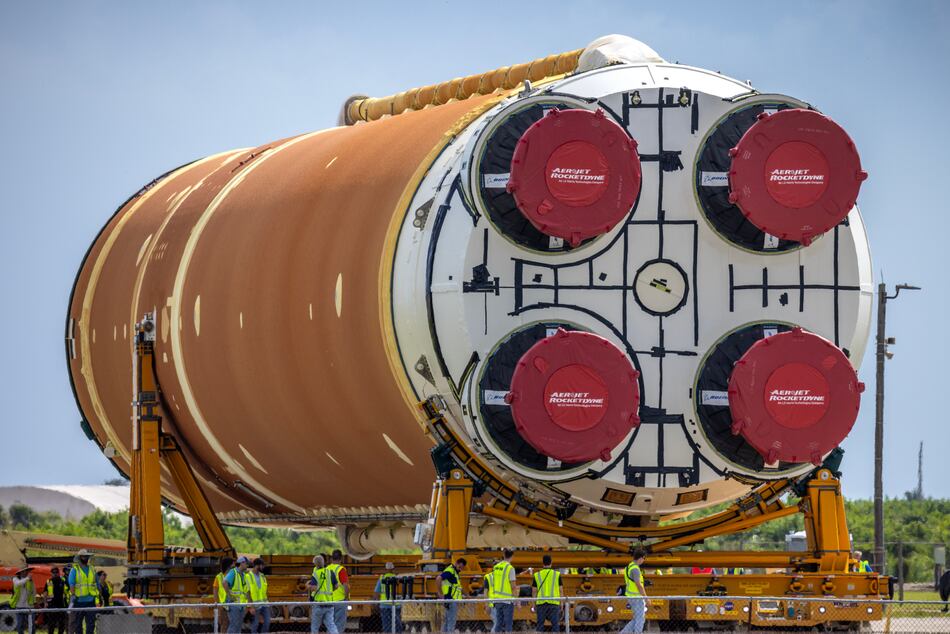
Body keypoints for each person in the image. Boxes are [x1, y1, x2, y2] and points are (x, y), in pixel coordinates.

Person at [68, 549, 99, 634]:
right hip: (78, 601)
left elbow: (97, 583)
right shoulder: (74, 570)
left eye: (87, 556)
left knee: (91, 624)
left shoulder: (92, 569)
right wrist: (73, 596)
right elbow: (71, 584)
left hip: (91, 601)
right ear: (79, 557)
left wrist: (99, 595)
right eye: (84, 556)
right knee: (78, 625)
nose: (86, 558)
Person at [308, 555, 339, 633]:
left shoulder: (316, 574)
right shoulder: (330, 572)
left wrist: (307, 586)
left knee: (315, 627)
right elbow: (336, 586)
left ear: (315, 564)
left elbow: (314, 588)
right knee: (331, 625)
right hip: (329, 604)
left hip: (319, 604)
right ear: (323, 563)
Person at [532, 554, 563, 632]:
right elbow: (561, 590)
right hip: (554, 602)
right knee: (555, 624)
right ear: (551, 562)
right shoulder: (557, 574)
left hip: (541, 603)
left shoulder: (537, 575)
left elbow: (534, 591)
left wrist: (533, 604)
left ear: (543, 563)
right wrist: (561, 602)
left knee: (540, 624)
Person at [620, 548, 647, 634]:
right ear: (641, 558)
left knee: (636, 618)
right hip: (637, 597)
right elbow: (639, 585)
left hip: (631, 597)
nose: (644, 560)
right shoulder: (635, 569)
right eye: (644, 558)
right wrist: (646, 598)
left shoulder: (629, 567)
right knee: (640, 618)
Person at [489, 549, 516, 633]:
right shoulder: (510, 568)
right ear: (512, 557)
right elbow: (513, 586)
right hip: (507, 600)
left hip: (497, 599)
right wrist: (516, 599)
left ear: (503, 555)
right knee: (508, 623)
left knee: (498, 623)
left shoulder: (496, 567)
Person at [222, 556, 251, 634]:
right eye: (246, 563)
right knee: (234, 625)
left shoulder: (244, 575)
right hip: (233, 604)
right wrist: (230, 596)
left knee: (238, 625)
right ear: (241, 563)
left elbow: (245, 591)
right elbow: (224, 582)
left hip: (241, 605)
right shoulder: (233, 572)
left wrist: (247, 604)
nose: (247, 565)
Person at [440, 557, 466, 633]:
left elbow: (458, 587)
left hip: (451, 600)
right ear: (456, 563)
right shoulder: (450, 571)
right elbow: (438, 578)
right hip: (450, 599)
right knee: (451, 621)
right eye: (459, 567)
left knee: (448, 620)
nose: (460, 569)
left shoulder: (455, 573)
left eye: (462, 568)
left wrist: (467, 596)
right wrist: (440, 593)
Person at [326, 550, 349, 633]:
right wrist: (346, 597)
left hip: (328, 600)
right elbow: (345, 585)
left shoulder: (326, 569)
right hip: (339, 601)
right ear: (341, 559)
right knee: (339, 624)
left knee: (330, 624)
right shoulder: (340, 570)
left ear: (331, 558)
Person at [375, 562, 402, 633]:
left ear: (385, 569)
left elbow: (376, 593)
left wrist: (376, 604)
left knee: (386, 625)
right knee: (397, 625)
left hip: (384, 605)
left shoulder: (382, 578)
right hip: (396, 605)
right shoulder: (397, 578)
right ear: (393, 569)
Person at [246, 558, 270, 633]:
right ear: (257, 566)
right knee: (255, 624)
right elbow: (247, 592)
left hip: (264, 604)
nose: (263, 567)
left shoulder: (262, 576)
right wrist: (251, 606)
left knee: (267, 622)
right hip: (255, 605)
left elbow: (264, 590)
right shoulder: (248, 576)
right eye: (262, 565)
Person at [10, 566, 36, 634]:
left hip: (29, 606)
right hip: (19, 605)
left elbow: (33, 591)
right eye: (24, 571)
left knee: (32, 625)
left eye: (27, 571)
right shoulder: (15, 579)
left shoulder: (30, 580)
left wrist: (35, 602)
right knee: (20, 625)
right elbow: (18, 584)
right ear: (20, 572)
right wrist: (27, 578)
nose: (26, 572)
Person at [44, 567, 68, 634]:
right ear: (51, 573)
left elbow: (67, 591)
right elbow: (45, 592)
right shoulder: (48, 581)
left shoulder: (63, 580)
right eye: (53, 572)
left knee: (61, 623)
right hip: (51, 604)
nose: (55, 574)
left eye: (56, 572)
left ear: (59, 573)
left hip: (61, 604)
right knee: (51, 623)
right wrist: (45, 602)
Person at [213, 557, 234, 633]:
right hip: (223, 606)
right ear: (229, 566)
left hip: (233, 605)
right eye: (233, 565)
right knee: (224, 626)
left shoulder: (234, 576)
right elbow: (215, 592)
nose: (234, 567)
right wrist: (218, 604)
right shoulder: (219, 577)